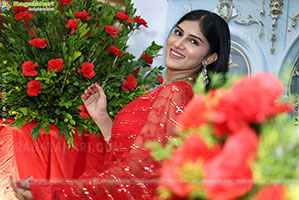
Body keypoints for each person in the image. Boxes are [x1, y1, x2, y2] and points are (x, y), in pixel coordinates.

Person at [11, 9, 231, 199]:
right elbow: (132, 158)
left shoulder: (176, 92)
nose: (179, 44)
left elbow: (139, 172)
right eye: (178, 33)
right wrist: (102, 118)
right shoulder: (170, 92)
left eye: (194, 41)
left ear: (210, 58)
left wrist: (56, 192)